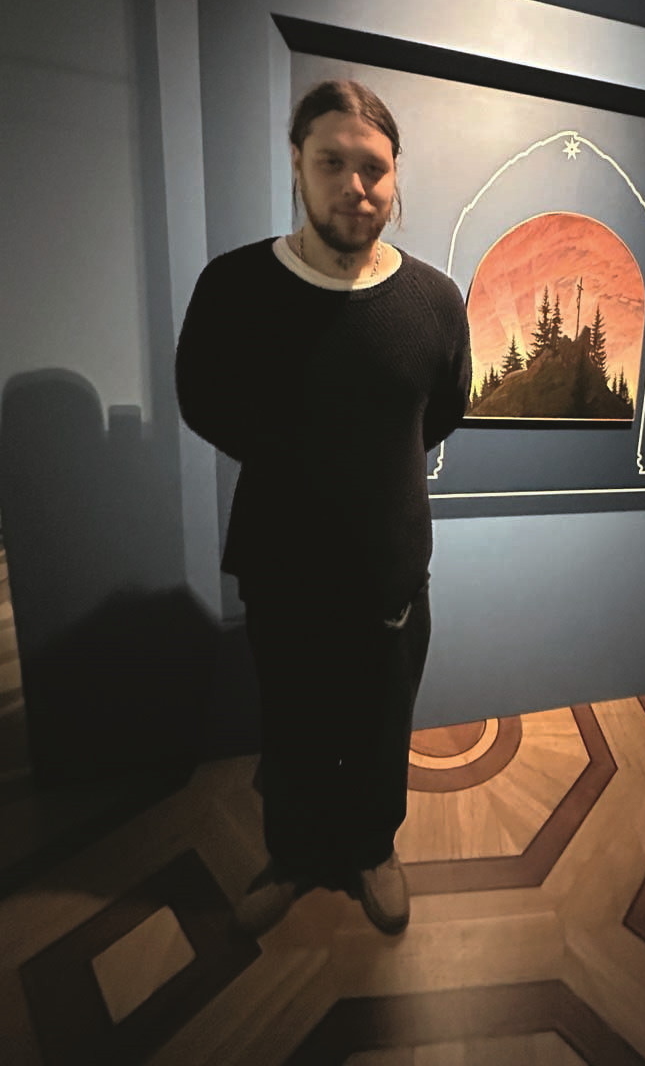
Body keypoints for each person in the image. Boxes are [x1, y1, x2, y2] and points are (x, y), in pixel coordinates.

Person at [175, 80, 471, 935]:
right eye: (331, 162)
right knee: (293, 719)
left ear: (396, 174)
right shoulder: (235, 285)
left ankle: (374, 850)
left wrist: (365, 464)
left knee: (383, 723)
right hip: (282, 559)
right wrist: (303, 460)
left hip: (391, 562)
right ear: (298, 164)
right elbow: (202, 399)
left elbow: (442, 410)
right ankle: (296, 853)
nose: (355, 186)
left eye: (372, 167)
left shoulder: (433, 301)